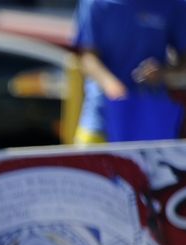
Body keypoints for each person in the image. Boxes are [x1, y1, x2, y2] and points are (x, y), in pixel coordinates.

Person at [71, 0, 186, 144]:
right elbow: (86, 57)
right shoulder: (95, 3)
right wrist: (110, 85)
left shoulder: (174, 5)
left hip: (151, 118)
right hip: (101, 115)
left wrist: (163, 73)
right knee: (85, 164)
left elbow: (183, 63)